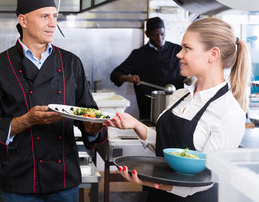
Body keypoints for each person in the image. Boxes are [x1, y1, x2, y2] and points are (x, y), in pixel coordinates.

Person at [0, 0, 107, 202]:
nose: (53, 23)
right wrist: (25, 121)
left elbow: (88, 113)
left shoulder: (71, 63)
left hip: (63, 178)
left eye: (55, 16)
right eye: (44, 16)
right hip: (20, 178)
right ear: (23, 20)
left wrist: (92, 129)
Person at [106, 17, 251, 201]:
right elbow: (169, 148)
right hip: (159, 196)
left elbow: (206, 178)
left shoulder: (229, 112)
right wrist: (136, 125)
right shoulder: (179, 96)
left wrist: (153, 183)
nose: (178, 54)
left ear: (213, 54)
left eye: (187, 48)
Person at [110, 17, 185, 120]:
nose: (159, 39)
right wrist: (128, 78)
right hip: (149, 109)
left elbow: (194, 68)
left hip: (176, 106)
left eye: (162, 34)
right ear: (147, 34)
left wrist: (192, 79)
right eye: (155, 35)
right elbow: (115, 75)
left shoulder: (177, 50)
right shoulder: (138, 54)